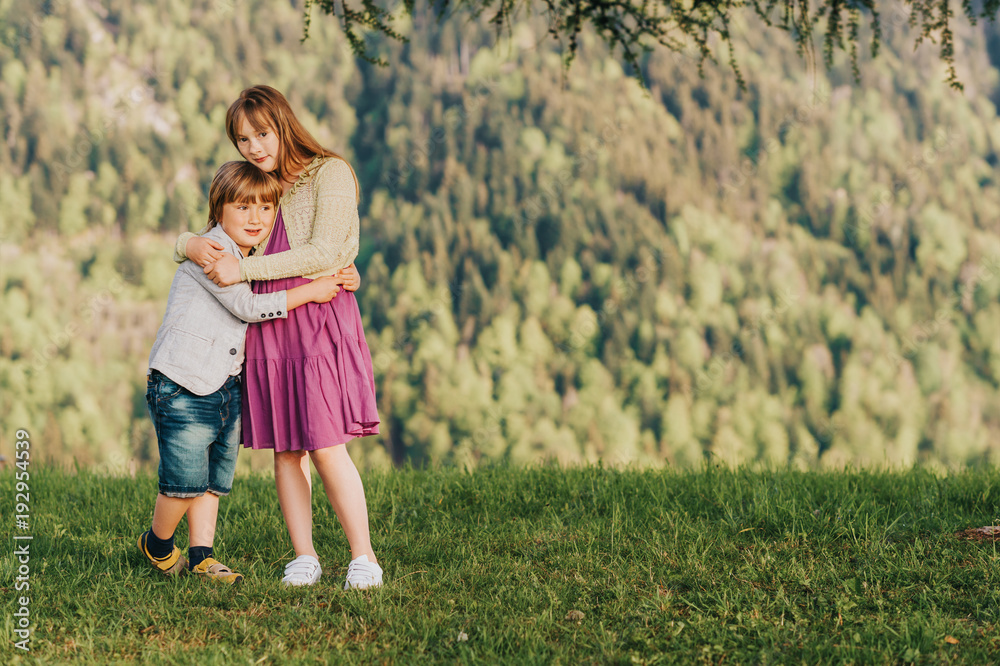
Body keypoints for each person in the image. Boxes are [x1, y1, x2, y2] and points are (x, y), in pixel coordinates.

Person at [174, 85, 383, 590]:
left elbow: (324, 249)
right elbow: (211, 233)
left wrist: (245, 270)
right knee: (287, 448)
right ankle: (304, 556)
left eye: (261, 133)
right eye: (242, 139)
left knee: (326, 443)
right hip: (268, 325)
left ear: (284, 124)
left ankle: (364, 556)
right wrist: (186, 244)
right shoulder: (256, 184)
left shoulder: (329, 173)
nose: (253, 147)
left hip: (316, 315)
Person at [139, 161, 348, 584]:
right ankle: (157, 543)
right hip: (182, 384)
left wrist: (347, 271)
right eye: (243, 207)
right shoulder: (214, 251)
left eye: (266, 208)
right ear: (219, 211)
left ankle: (202, 555)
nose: (257, 218)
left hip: (224, 385)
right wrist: (311, 292)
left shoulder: (250, 256)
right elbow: (248, 308)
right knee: (185, 480)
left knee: (215, 479)